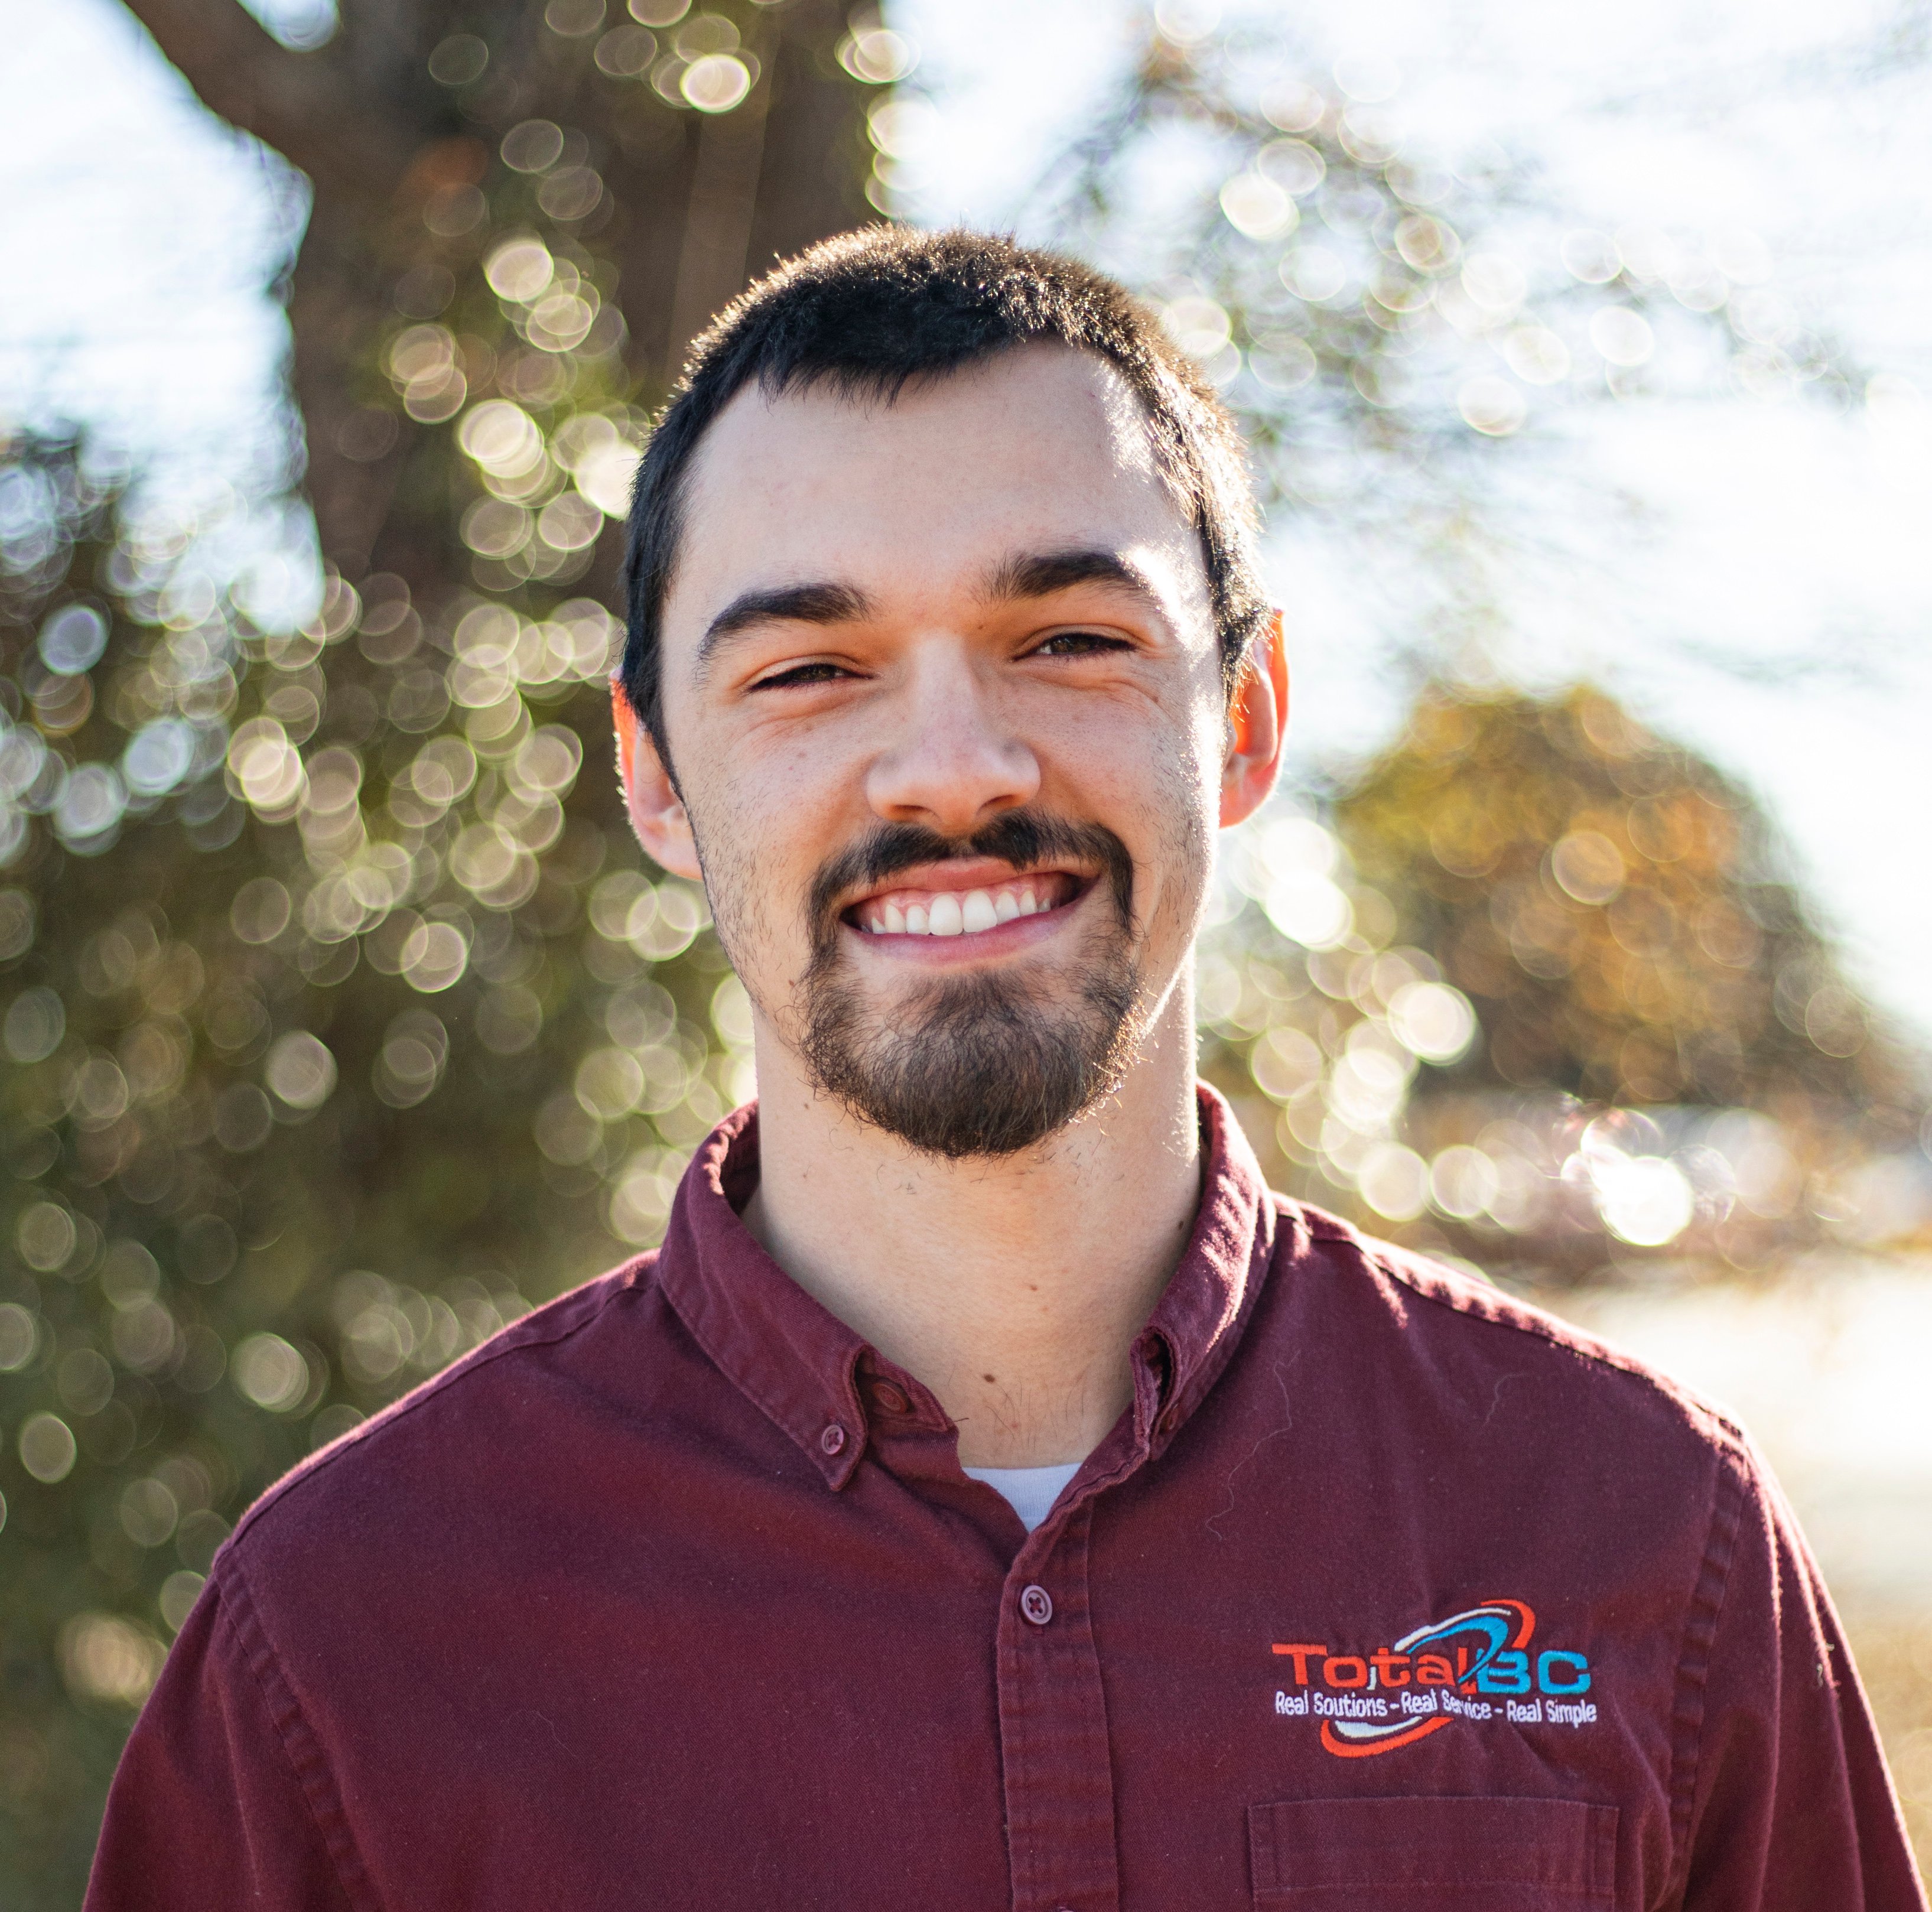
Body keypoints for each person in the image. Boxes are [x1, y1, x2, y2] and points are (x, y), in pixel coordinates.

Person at [87, 227, 1924, 1911]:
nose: (954, 768)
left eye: (1067, 640)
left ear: (1247, 716)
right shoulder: (349, 1635)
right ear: (653, 771)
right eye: (810, 669)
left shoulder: (1641, 1528)